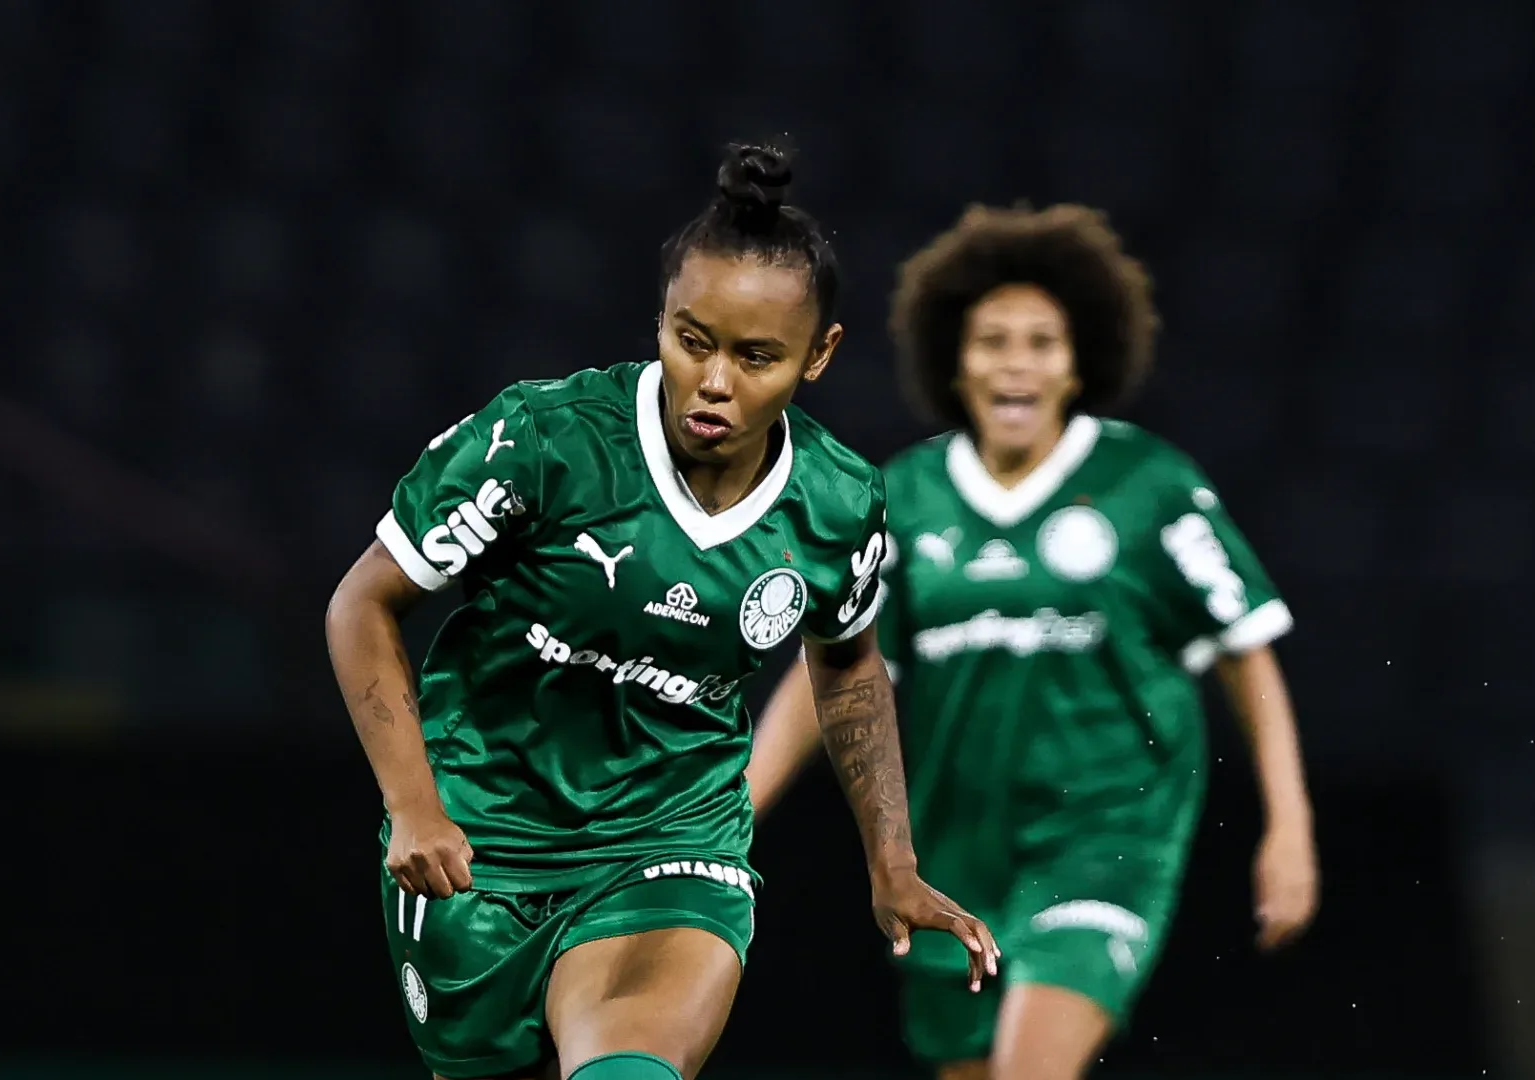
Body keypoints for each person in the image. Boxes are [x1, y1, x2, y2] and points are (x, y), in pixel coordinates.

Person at [325, 142, 1000, 1080]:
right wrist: (412, 803)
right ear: (662, 322)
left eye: (757, 357)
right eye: (694, 341)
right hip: (480, 841)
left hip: (673, 838)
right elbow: (363, 602)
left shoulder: (840, 503)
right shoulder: (545, 442)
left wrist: (892, 860)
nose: (716, 382)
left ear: (820, 355)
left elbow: (846, 663)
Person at [746, 204, 1319, 1080]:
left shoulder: (1147, 487)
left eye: (1042, 342)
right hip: (952, 852)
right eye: (993, 341)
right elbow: (835, 669)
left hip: (1105, 838)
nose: (1017, 363)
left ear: (1079, 360)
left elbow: (1246, 652)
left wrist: (1290, 826)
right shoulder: (906, 497)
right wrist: (736, 805)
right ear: (956, 360)